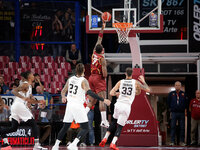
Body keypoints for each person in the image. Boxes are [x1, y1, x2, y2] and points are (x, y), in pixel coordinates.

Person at [52, 63, 111, 150]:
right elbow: (90, 93)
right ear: (84, 70)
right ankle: (74, 144)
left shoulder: (70, 79)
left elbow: (63, 91)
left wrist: (64, 97)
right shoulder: (83, 80)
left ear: (76, 70)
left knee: (65, 126)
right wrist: (103, 100)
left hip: (69, 105)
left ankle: (55, 145)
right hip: (77, 105)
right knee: (85, 127)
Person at [99, 67, 150, 150]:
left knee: (114, 122)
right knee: (120, 126)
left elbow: (111, 93)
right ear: (132, 74)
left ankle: (105, 138)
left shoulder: (120, 82)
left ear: (125, 74)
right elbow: (147, 89)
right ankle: (113, 143)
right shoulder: (135, 82)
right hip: (126, 106)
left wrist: (118, 93)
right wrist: (143, 81)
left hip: (118, 104)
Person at [0, 71, 48, 150]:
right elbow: (13, 91)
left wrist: (38, 101)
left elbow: (30, 98)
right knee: (33, 124)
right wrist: (23, 98)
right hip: (19, 105)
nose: (33, 75)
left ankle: (1, 132)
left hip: (16, 106)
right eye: (32, 75)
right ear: (29, 77)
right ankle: (36, 145)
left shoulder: (29, 86)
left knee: (14, 128)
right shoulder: (25, 84)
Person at [87, 22, 109, 128]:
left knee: (92, 100)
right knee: (102, 99)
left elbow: (99, 38)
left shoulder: (94, 52)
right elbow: (104, 74)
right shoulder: (102, 59)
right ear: (103, 50)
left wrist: (102, 28)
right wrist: (105, 75)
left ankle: (83, 114)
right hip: (98, 78)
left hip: (90, 77)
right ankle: (104, 120)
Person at [167, 81, 188, 146]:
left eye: (178, 85)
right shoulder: (171, 94)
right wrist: (170, 109)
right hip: (174, 113)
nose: (177, 86)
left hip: (181, 113)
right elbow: (168, 102)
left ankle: (181, 141)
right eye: (176, 85)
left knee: (182, 127)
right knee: (173, 127)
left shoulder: (184, 94)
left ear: (180, 86)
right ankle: (172, 141)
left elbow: (186, 103)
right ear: (174, 86)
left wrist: (185, 110)